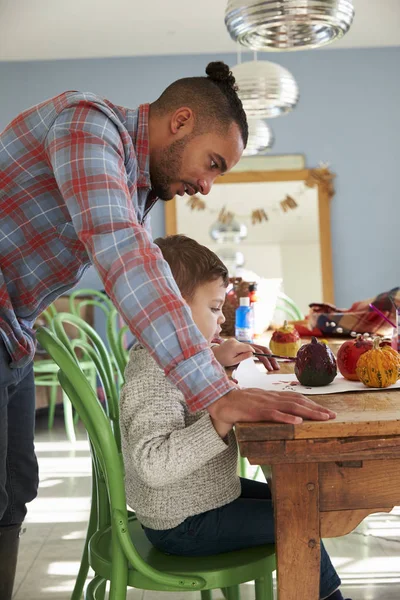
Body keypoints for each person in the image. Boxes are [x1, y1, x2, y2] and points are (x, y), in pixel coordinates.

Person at [0, 61, 335, 598]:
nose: (205, 185)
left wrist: (213, 358)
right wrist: (219, 396)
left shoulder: (139, 187)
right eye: (213, 163)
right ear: (180, 122)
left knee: (13, 490)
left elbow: (150, 272)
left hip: (11, 328)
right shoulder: (86, 124)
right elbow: (127, 259)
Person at [120, 234, 347, 600]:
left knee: (302, 502)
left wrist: (217, 363)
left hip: (208, 499)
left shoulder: (179, 359)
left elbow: (193, 399)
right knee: (300, 519)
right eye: (213, 309)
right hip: (183, 523)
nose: (222, 318)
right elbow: (152, 463)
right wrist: (220, 419)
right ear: (172, 310)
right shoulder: (152, 369)